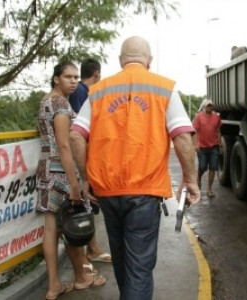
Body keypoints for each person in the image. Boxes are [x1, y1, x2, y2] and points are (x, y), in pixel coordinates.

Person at [69, 36, 201, 300]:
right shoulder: (163, 88)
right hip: (144, 192)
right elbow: (183, 136)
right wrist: (190, 179)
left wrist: (86, 178)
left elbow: (75, 135)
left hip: (107, 191)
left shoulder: (99, 91)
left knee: (121, 260)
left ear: (121, 61)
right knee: (139, 267)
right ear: (148, 62)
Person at [36, 61, 106, 300]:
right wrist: (75, 185)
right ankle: (83, 277)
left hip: (46, 171)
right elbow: (65, 145)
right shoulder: (60, 104)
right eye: (68, 77)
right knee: (74, 226)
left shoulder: (45, 101)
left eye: (77, 77)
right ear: (56, 78)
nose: (74, 81)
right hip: (63, 174)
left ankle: (54, 285)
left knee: (51, 230)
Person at [69, 58, 112, 269]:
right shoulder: (82, 92)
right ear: (96, 74)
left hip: (89, 156)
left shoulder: (82, 92)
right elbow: (79, 132)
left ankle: (93, 249)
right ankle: (86, 255)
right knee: (87, 204)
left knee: (91, 205)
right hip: (85, 158)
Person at [192, 99, 222, 198]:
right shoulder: (199, 117)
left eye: (211, 105)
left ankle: (209, 189)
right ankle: (199, 178)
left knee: (213, 167)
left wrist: (220, 143)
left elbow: (218, 130)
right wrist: (196, 144)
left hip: (214, 146)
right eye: (208, 105)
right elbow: (195, 131)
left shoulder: (216, 117)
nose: (210, 107)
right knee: (202, 167)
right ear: (204, 106)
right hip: (202, 147)